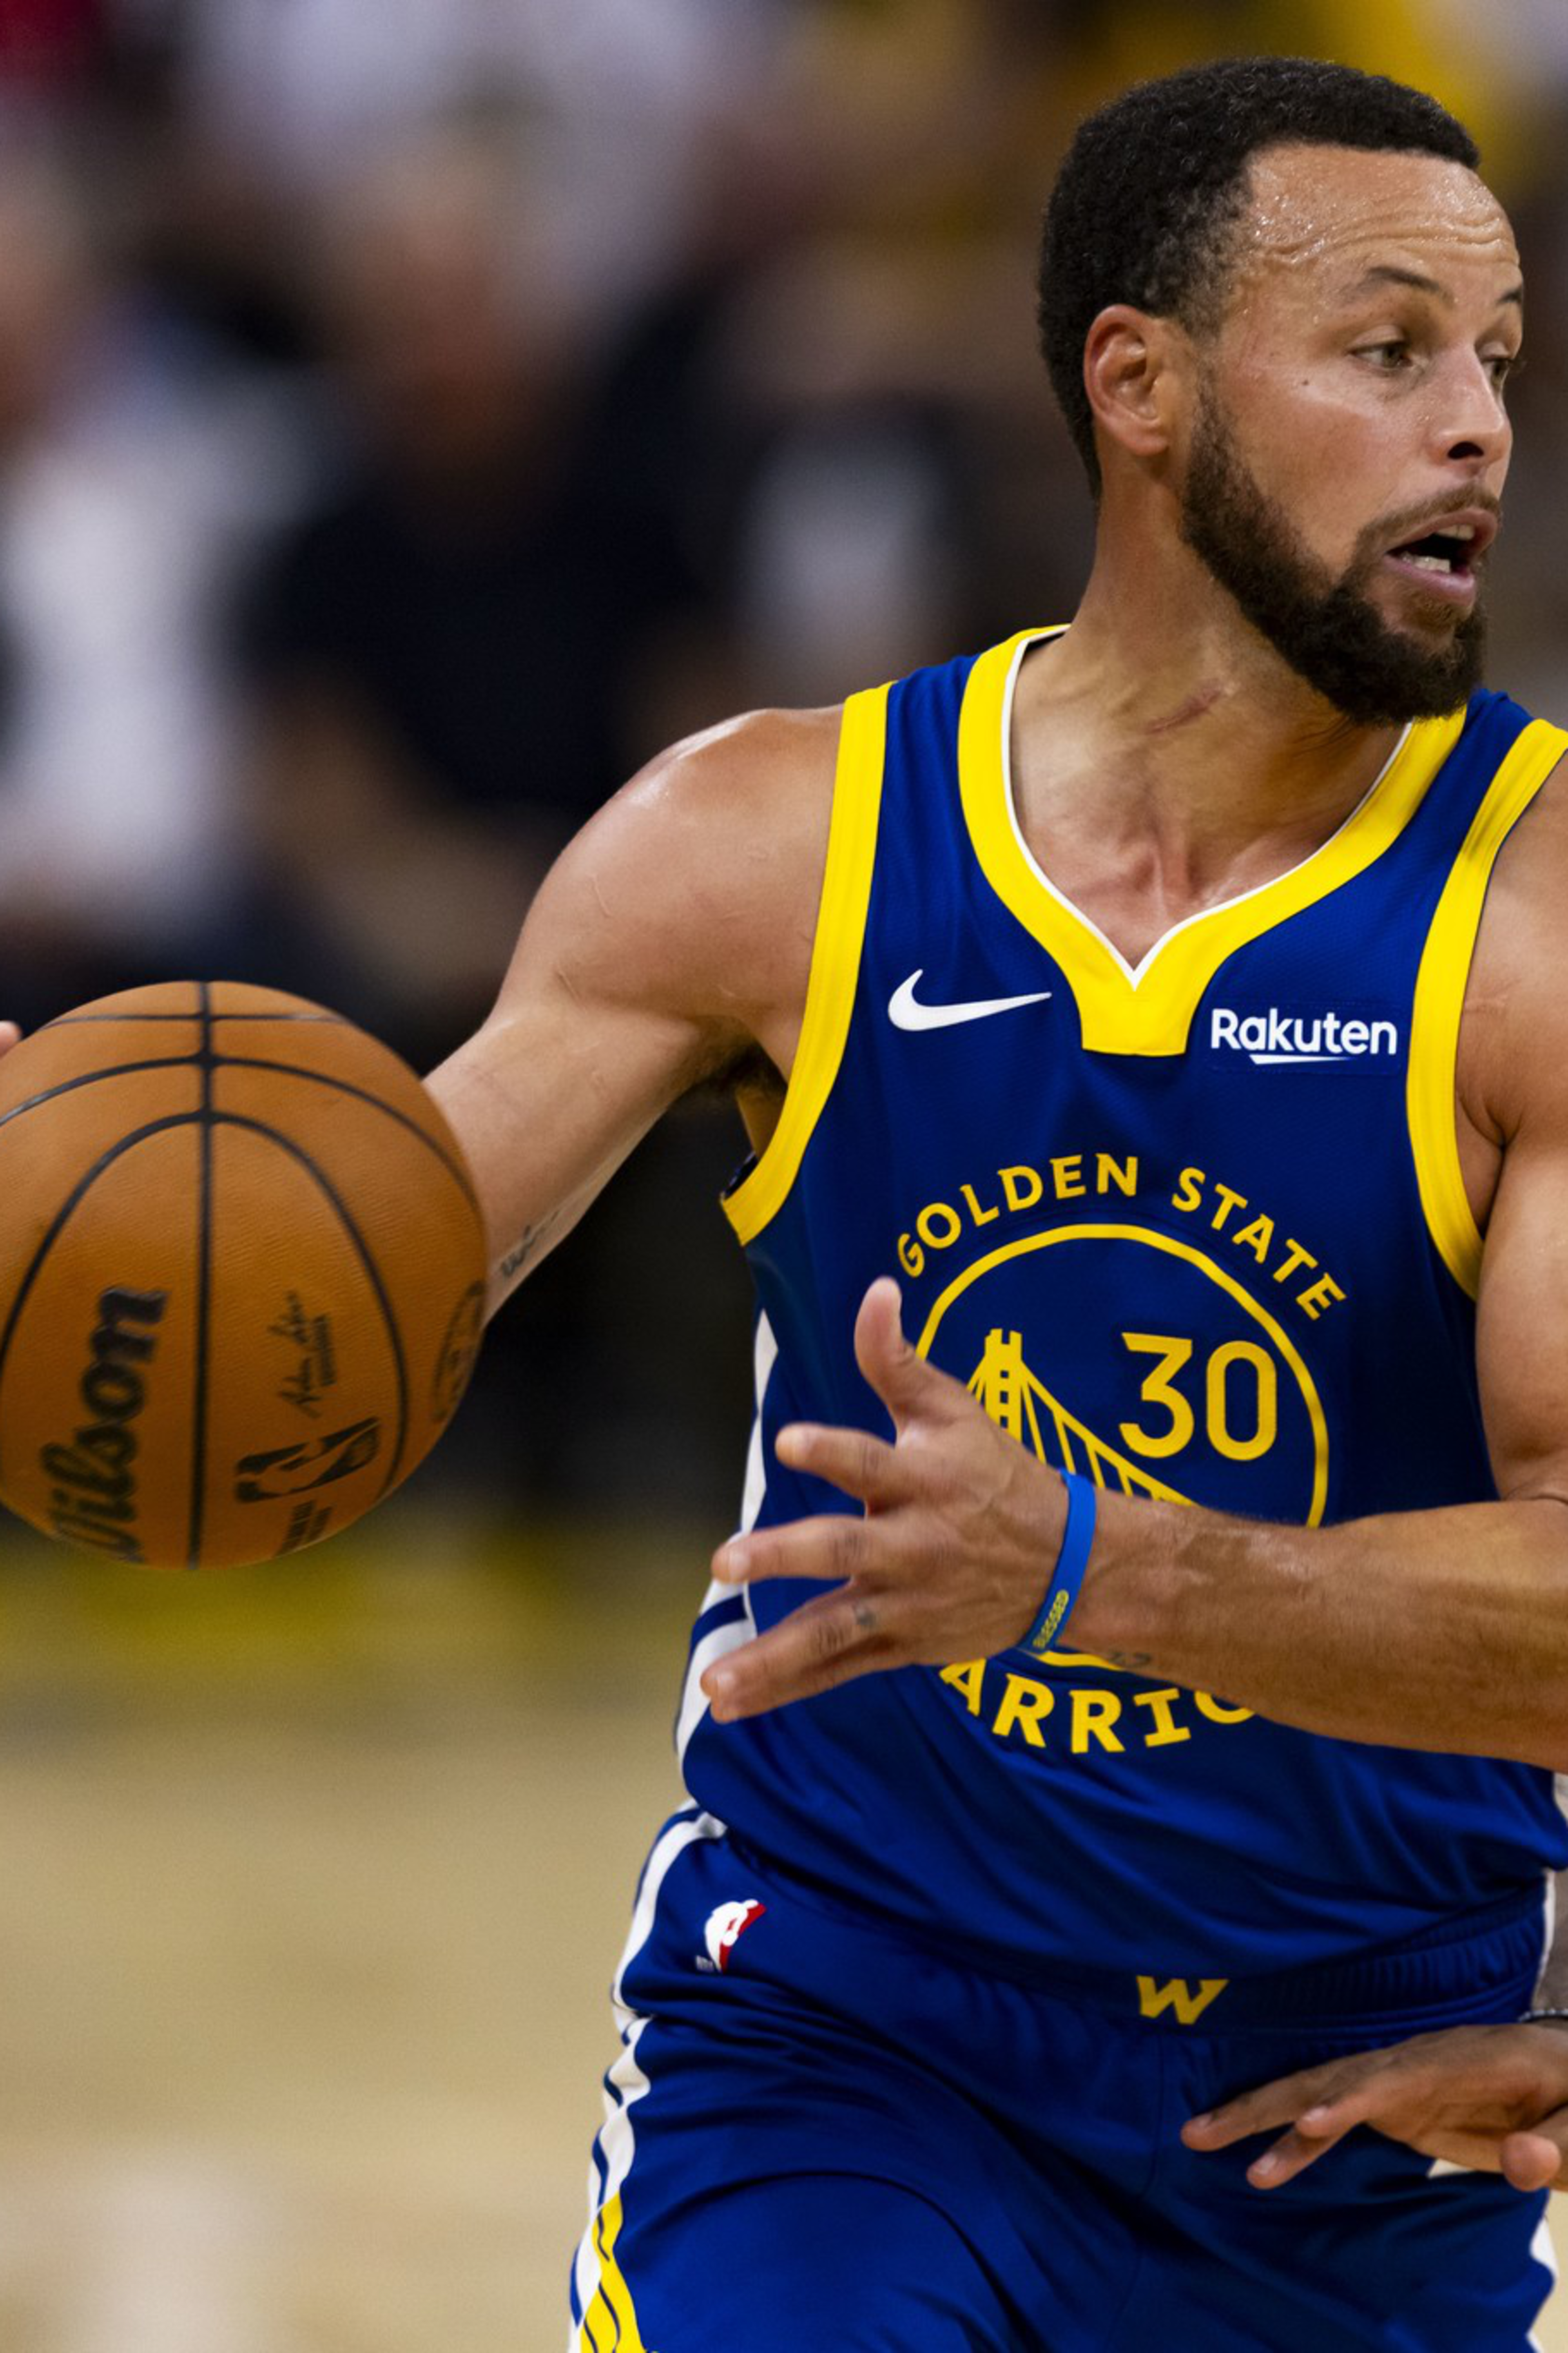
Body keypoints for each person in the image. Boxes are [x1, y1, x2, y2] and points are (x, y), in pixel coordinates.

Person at [424, 55, 1568, 2349]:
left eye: (1494, 359)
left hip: (1342, 2101)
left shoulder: (1534, 923)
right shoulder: (764, 843)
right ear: (1133, 385)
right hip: (843, 2039)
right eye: (1383, 349)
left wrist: (1084, 1572)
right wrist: (95, 1221)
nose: (1473, 425)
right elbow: (354, 1293)